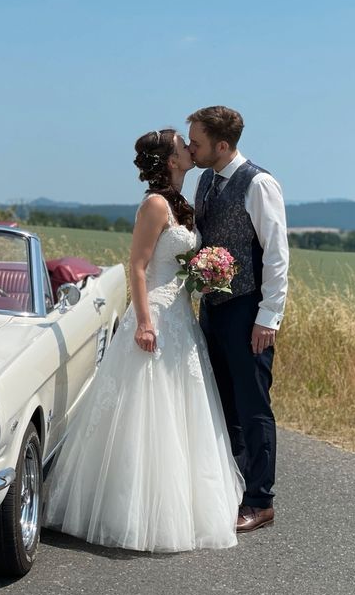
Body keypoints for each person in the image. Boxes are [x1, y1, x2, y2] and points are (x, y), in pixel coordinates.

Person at [44, 128, 243, 552]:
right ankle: (131, 508)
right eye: (182, 146)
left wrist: (205, 276)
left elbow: (176, 261)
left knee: (179, 405)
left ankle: (180, 505)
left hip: (180, 315)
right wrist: (143, 323)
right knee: (145, 408)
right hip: (154, 312)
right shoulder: (155, 204)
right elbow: (137, 266)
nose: (191, 149)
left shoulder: (181, 204)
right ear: (171, 161)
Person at [186, 106, 289, 533]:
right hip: (213, 307)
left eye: (197, 142)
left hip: (248, 310)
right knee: (223, 402)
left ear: (222, 145)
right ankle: (232, 488)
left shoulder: (260, 183)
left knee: (252, 405)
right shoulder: (207, 179)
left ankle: (261, 501)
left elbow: (278, 256)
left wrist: (268, 318)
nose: (191, 149)